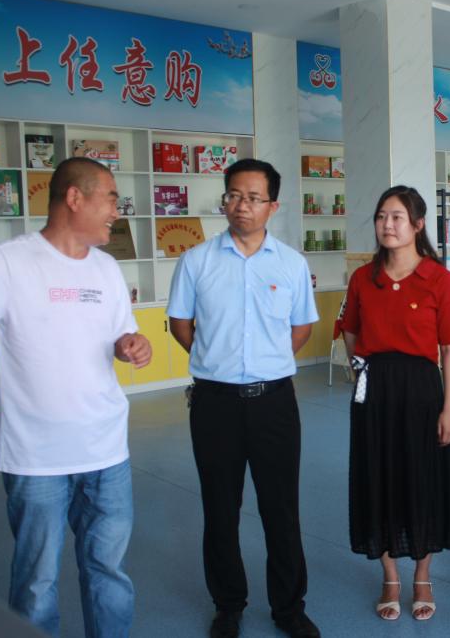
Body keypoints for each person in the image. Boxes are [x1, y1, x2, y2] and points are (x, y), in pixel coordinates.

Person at [0, 157, 151, 637]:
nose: (117, 211)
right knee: (35, 584)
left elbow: (121, 334)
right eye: (111, 199)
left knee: (109, 574)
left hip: (107, 453)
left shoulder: (107, 268)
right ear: (75, 197)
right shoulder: (9, 263)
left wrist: (133, 345)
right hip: (35, 460)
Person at [167, 159, 320, 638]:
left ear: (273, 205)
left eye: (253, 198)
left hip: (274, 403)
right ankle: (228, 604)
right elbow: (180, 323)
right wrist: (217, 361)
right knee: (220, 508)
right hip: (215, 404)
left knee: (281, 509)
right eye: (233, 195)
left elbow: (301, 328)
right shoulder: (196, 261)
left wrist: (265, 363)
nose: (241, 206)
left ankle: (288, 608)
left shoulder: (291, 264)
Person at [340, 186, 450, 622]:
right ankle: (390, 576)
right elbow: (350, 331)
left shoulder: (438, 279)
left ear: (417, 224)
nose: (387, 225)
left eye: (397, 217)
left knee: (421, 479)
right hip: (375, 391)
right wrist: (363, 372)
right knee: (378, 477)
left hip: (422, 391)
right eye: (381, 217)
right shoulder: (363, 278)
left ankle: (423, 575)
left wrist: (449, 409)